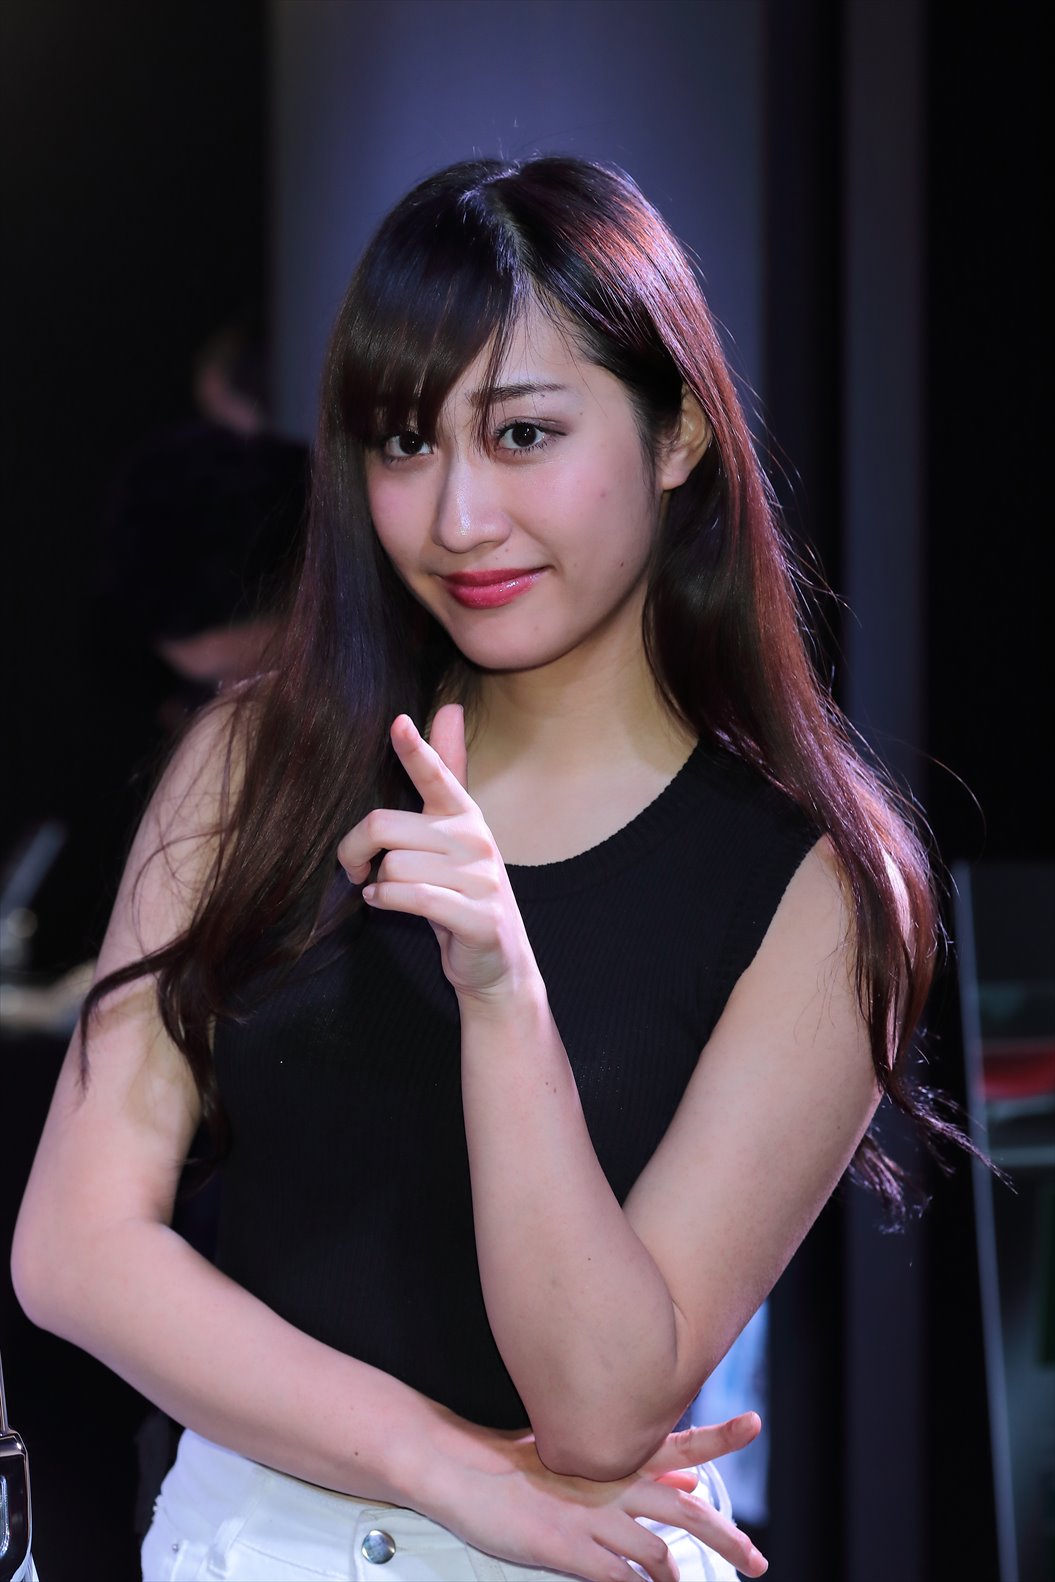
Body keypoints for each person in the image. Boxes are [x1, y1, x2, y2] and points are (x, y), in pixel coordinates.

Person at [12, 156, 946, 1582]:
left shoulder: (822, 887)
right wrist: (445, 1464)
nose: (457, 518)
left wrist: (505, 993)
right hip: (247, 1538)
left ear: (679, 430)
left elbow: (601, 1404)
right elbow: (75, 1247)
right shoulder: (257, 763)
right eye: (404, 443)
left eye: (521, 434)